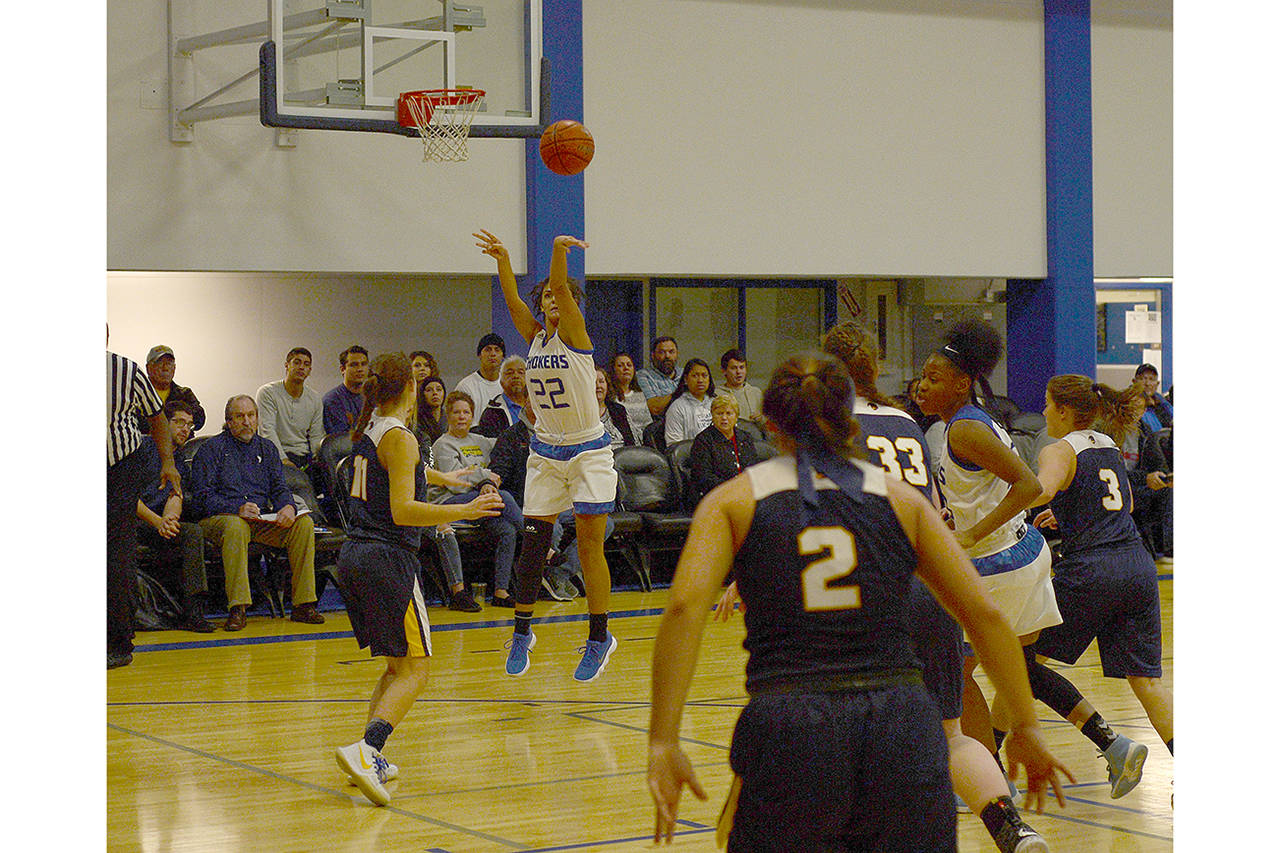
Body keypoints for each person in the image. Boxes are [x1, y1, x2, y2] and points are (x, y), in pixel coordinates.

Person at [648, 352, 1072, 850]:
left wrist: (663, 739)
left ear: (769, 423)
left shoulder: (732, 501)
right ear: (849, 418)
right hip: (899, 719)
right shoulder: (901, 499)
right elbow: (983, 615)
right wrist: (1023, 723)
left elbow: (681, 611)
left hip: (792, 720)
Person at [819, 320, 1048, 845]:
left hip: (857, 589)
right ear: (873, 369)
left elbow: (796, 510)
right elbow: (936, 515)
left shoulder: (822, 423)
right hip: (929, 587)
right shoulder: (906, 424)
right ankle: (1012, 831)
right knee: (952, 736)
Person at [915, 321, 1146, 802]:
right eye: (923, 376)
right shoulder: (972, 418)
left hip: (998, 562)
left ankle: (988, 778)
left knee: (959, 673)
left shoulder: (964, 428)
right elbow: (988, 487)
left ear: (961, 382)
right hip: (1023, 554)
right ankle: (1111, 741)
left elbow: (1025, 486)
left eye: (934, 377)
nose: (922, 385)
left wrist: (971, 532)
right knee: (1017, 668)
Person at [332, 352, 503, 807]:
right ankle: (368, 751)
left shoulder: (371, 428)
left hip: (356, 556)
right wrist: (463, 509)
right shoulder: (402, 437)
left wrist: (442, 475)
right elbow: (403, 509)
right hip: (387, 559)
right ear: (410, 387)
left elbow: (398, 470)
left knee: (396, 667)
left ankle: (370, 756)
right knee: (417, 669)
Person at [475, 228, 620, 682]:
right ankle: (522, 631)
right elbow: (516, 302)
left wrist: (557, 251)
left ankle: (600, 637)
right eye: (549, 302)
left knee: (591, 544)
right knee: (533, 544)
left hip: (588, 453)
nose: (554, 303)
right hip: (546, 452)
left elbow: (558, 286)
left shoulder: (575, 334)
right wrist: (502, 260)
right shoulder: (534, 338)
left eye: (561, 298)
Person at [1024, 375, 1173, 798]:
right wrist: (1069, 514)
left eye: (1049, 404)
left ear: (1066, 411)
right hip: (1137, 566)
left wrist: (991, 502)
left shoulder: (1059, 448)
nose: (1046, 411)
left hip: (1094, 572)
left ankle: (994, 770)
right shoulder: (1106, 443)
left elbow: (1041, 490)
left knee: (1017, 662)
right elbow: (1117, 499)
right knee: (1146, 681)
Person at [190, 395, 325, 631]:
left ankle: (303, 605)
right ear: (228, 421)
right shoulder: (210, 450)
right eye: (240, 417)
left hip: (260, 520)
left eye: (251, 415)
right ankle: (238, 608)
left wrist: (288, 507)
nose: (247, 422)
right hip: (219, 520)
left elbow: (280, 488)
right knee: (236, 526)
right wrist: (236, 509)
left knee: (302, 526)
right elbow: (202, 497)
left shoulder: (267, 448)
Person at [109, 342, 182, 668]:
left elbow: (157, 417)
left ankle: (118, 642)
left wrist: (168, 461)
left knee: (117, 555)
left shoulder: (126, 369)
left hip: (118, 468)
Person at [429, 391, 523, 607]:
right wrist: (485, 478)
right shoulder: (443, 445)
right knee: (504, 497)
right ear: (448, 416)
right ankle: (537, 541)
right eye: (456, 412)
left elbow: (504, 448)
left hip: (476, 502)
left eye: (466, 412)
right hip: (448, 502)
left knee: (506, 529)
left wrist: (488, 482)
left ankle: (501, 591)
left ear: (472, 416)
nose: (461, 417)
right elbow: (455, 483)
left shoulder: (481, 441)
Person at [134, 400, 216, 633]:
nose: (185, 429)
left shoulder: (179, 459)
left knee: (191, 531)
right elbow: (126, 498)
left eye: (189, 425)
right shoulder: (141, 448)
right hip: (132, 520)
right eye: (179, 422)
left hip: (158, 523)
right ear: (162, 423)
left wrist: (169, 520)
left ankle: (194, 611)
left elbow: (175, 495)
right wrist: (158, 521)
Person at [256, 347, 325, 468]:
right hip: (276, 455)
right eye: (297, 362)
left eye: (306, 364)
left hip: (304, 456)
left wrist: (317, 460)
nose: (301, 367)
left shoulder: (315, 398)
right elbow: (267, 431)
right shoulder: (267, 392)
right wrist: (283, 459)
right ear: (287, 365)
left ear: (310, 370)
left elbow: (316, 436)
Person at [688, 395, 760, 504]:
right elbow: (703, 476)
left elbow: (754, 468)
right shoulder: (703, 440)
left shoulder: (745, 437)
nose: (724, 418)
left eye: (729, 413)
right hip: (716, 496)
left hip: (745, 493)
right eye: (719, 413)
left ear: (736, 417)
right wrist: (733, 488)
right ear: (712, 416)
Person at [144, 345, 206, 432]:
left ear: (174, 368)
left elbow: (200, 421)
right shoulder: (137, 394)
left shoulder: (184, 394)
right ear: (148, 368)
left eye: (169, 363)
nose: (165, 368)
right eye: (159, 363)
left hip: (180, 445)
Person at [454, 333, 507, 427]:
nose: (493, 354)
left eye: (497, 350)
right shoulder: (465, 386)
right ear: (479, 355)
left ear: (503, 356)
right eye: (488, 349)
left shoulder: (507, 386)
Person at [664, 358, 716, 446]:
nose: (700, 380)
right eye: (695, 376)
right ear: (685, 379)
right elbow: (674, 446)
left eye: (704, 375)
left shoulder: (716, 403)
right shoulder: (677, 407)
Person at [475, 356, 530, 437]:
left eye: (521, 372)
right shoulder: (492, 413)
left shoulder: (539, 406)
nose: (516, 376)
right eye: (509, 373)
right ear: (501, 381)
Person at [323, 345, 370, 435]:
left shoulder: (373, 398)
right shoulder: (332, 401)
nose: (360, 369)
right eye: (354, 365)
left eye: (363, 364)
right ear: (343, 369)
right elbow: (342, 441)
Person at [608, 352, 653, 442]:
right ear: (613, 370)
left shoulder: (640, 395)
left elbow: (648, 425)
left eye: (629, 365)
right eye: (621, 365)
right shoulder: (610, 397)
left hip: (643, 444)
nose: (626, 368)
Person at [716, 348, 764, 425]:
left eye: (742, 367)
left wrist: (762, 418)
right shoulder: (717, 394)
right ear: (724, 371)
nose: (738, 372)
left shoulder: (756, 393)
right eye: (733, 368)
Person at [636, 336, 680, 418]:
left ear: (677, 354)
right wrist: (681, 391)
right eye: (662, 352)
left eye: (671, 352)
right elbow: (654, 408)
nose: (667, 356)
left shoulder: (685, 373)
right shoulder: (643, 376)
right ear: (653, 355)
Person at [596, 366, 635, 448]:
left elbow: (632, 441)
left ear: (607, 385)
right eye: (593, 382)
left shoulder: (619, 410)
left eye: (601, 381)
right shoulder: (580, 413)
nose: (598, 386)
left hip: (623, 456)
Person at [1132, 363, 1172, 433]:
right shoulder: (1129, 406)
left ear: (1157, 383)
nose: (1147, 383)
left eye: (1151, 379)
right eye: (1143, 379)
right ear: (1134, 382)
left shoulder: (1163, 403)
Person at [413, 375, 448, 450]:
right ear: (423, 395)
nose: (435, 393)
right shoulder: (417, 420)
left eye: (439, 389)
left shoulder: (449, 418)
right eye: (429, 390)